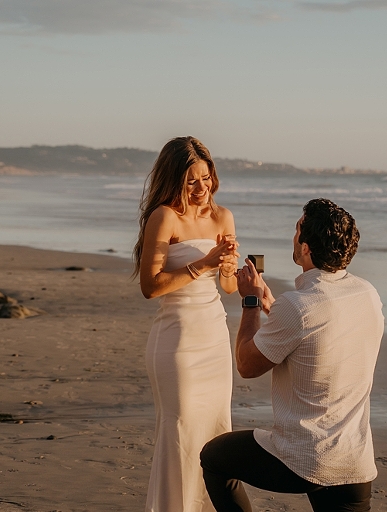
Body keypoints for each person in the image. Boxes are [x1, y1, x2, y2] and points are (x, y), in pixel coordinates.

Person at [200, 198, 384, 512]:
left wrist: (251, 303)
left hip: (304, 458)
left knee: (213, 458)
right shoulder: (367, 293)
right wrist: (272, 305)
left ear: (307, 248)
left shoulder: (298, 306)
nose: (293, 237)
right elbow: (318, 335)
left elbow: (246, 364)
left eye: (298, 229)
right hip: (354, 461)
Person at [134, 136, 240, 512]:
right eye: (191, 181)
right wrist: (205, 264)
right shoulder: (165, 217)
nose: (202, 188)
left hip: (214, 335)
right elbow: (151, 287)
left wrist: (227, 270)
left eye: (206, 178)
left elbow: (228, 287)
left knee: (215, 431)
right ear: (175, 179)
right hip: (176, 340)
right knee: (180, 433)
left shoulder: (223, 217)